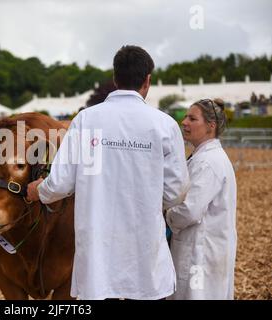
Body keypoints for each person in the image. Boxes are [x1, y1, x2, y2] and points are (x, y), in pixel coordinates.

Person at [27, 45, 189, 300]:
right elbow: (175, 191)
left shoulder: (86, 120)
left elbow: (61, 184)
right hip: (144, 247)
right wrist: (146, 200)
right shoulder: (165, 125)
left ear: (115, 78)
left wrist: (38, 191)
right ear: (148, 80)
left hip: (98, 250)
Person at [166, 98, 237, 300]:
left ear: (210, 126)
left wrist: (166, 214)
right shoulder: (203, 157)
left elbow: (190, 210)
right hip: (203, 249)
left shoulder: (208, 162)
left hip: (201, 252)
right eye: (185, 117)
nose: (184, 122)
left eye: (192, 118)